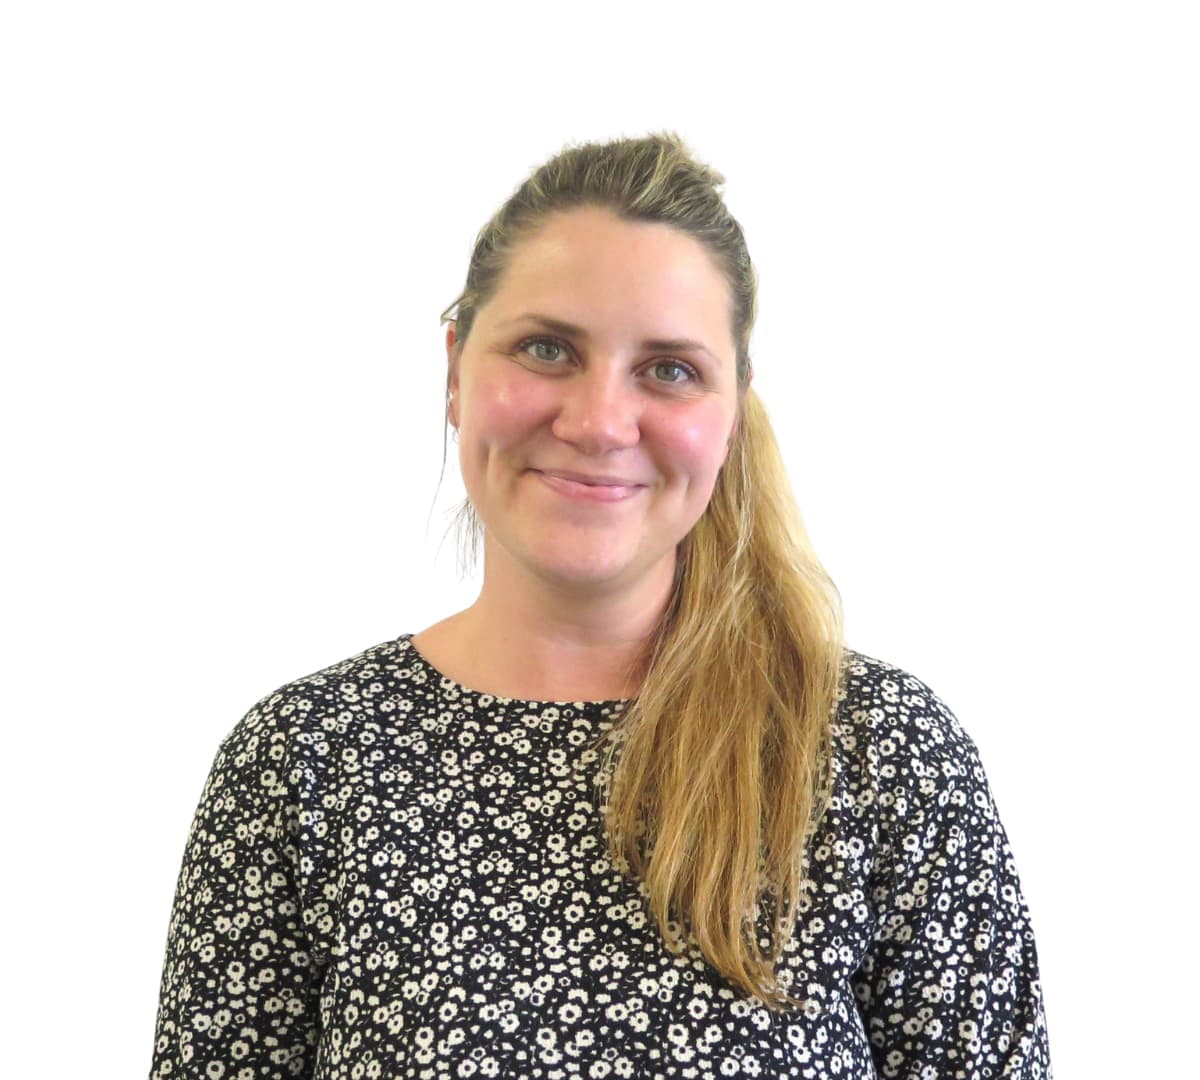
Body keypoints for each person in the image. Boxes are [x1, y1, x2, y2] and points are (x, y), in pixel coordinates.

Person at [150, 132, 1052, 1078]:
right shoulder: (301, 763)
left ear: (733, 409)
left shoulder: (876, 751)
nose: (597, 423)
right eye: (547, 350)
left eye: (668, 369)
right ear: (455, 368)